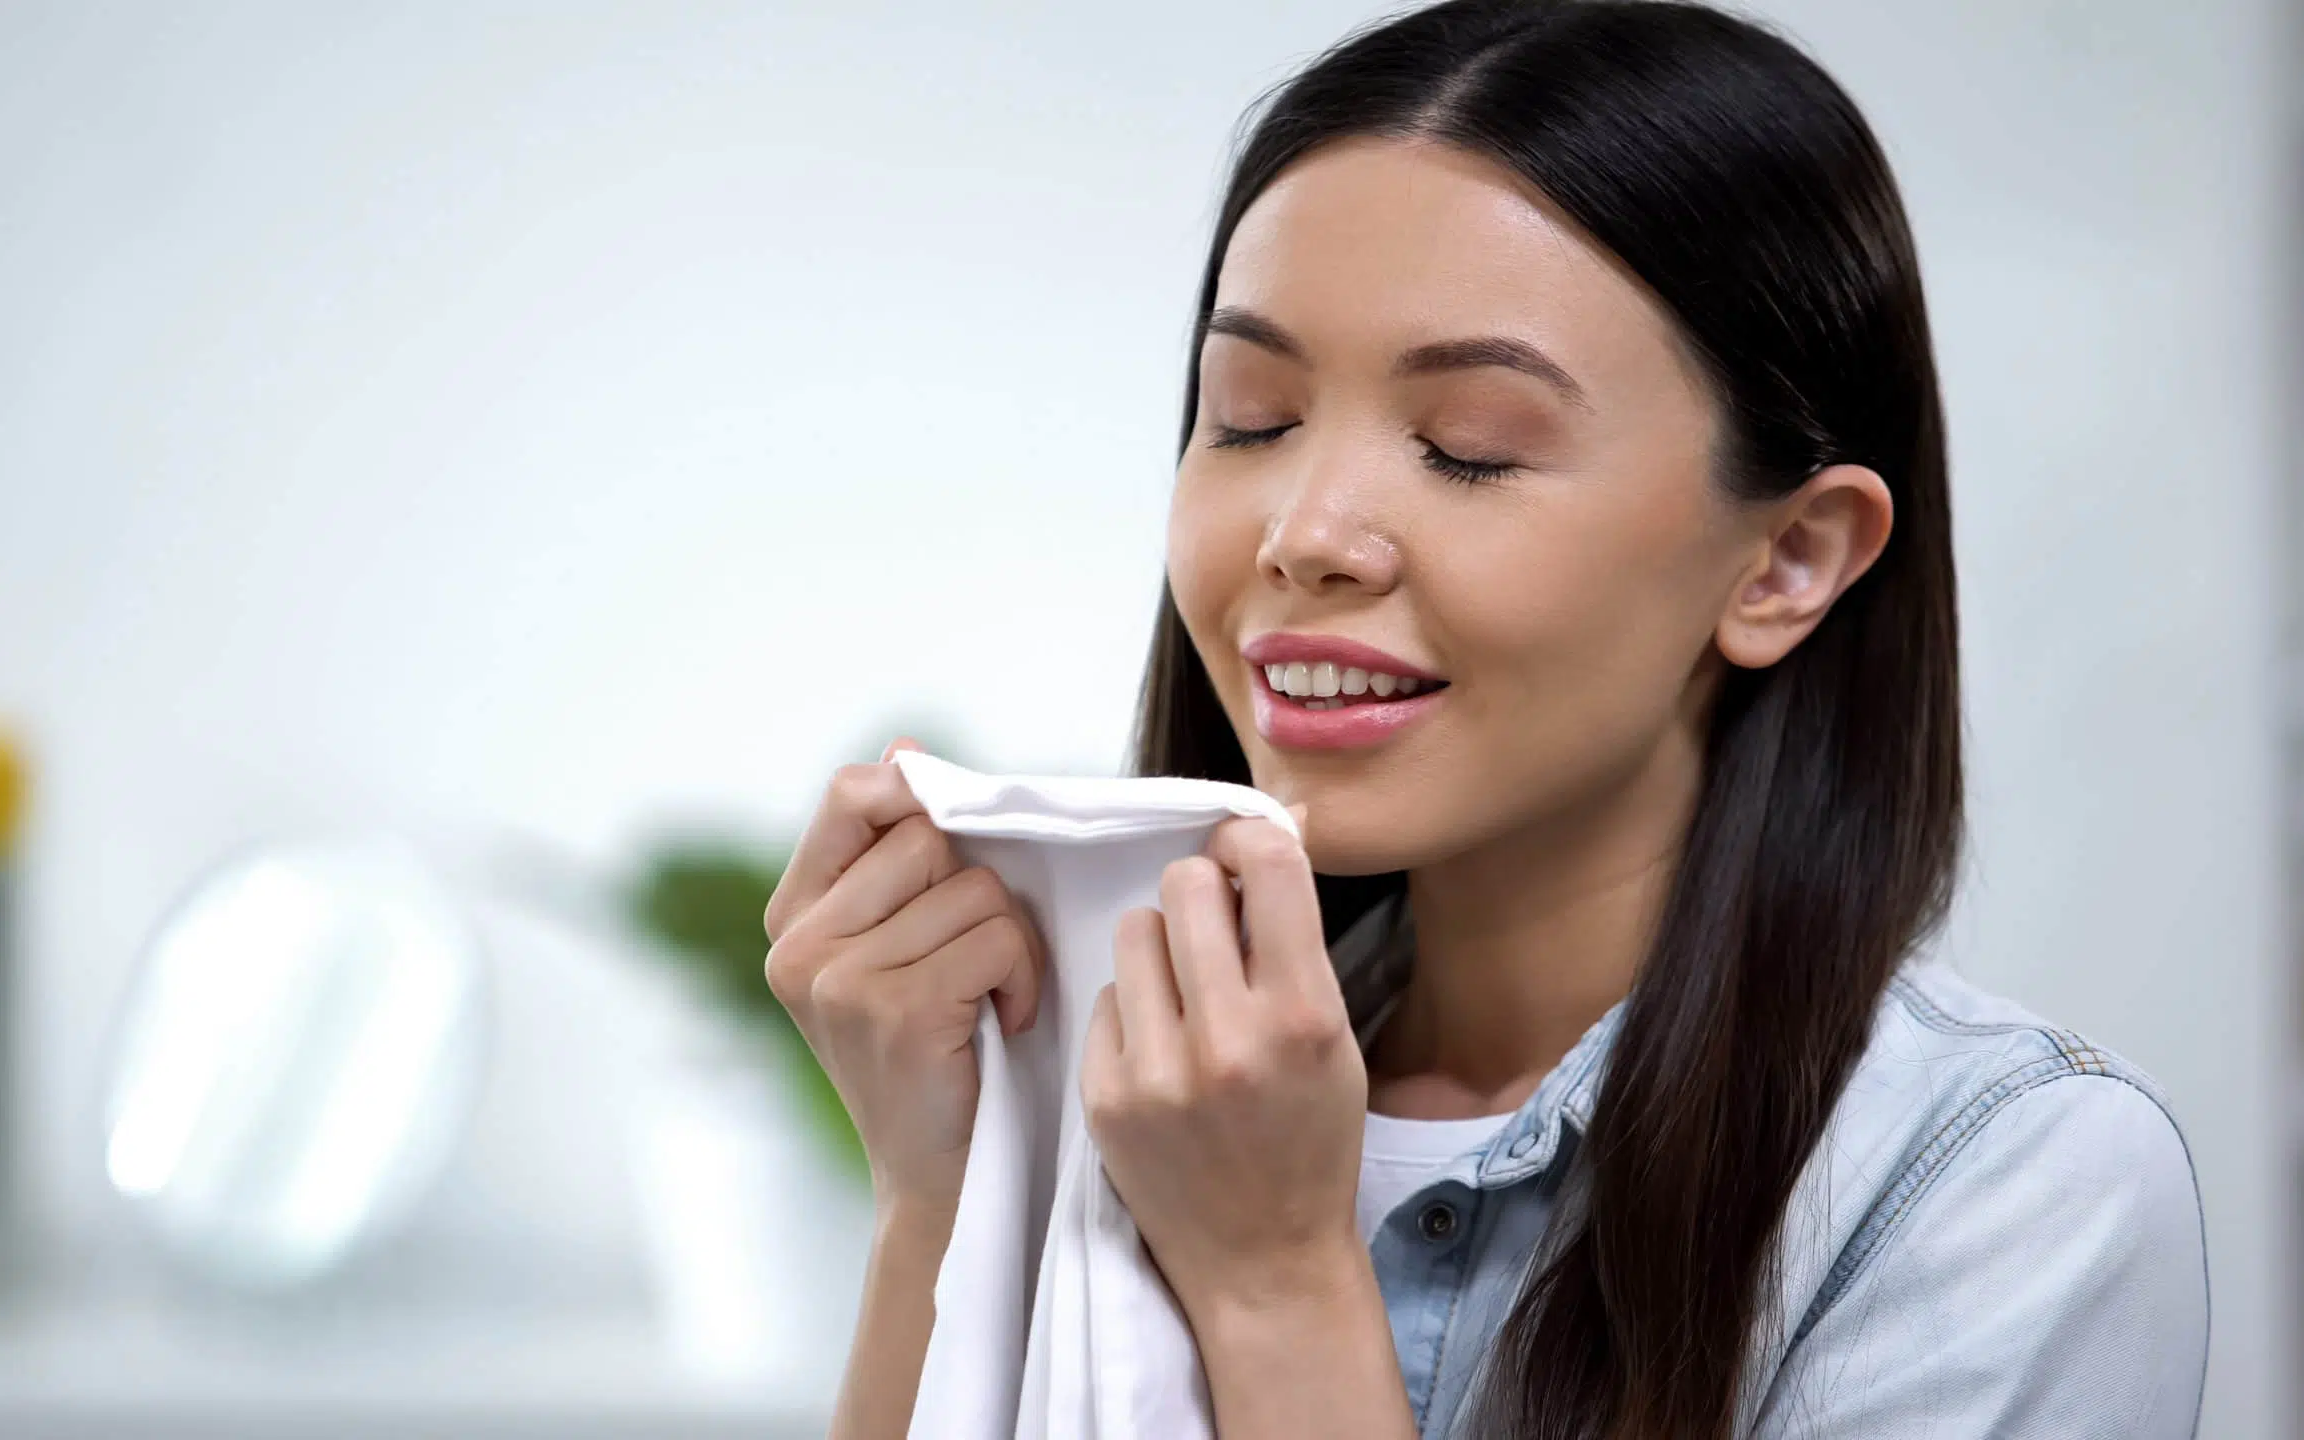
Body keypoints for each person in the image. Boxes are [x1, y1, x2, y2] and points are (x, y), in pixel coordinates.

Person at [758, 2, 2210, 1436]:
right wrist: (951, 1210)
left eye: (1470, 450)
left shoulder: (2005, 1178)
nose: (1307, 530)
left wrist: (1278, 1290)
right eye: (1249, 418)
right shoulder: (1129, 1082)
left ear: (1788, 561)